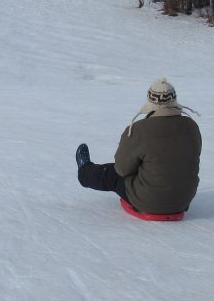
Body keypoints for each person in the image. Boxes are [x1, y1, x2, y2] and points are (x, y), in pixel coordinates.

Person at [76, 78, 202, 215]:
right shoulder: (192, 126)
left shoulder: (139, 130)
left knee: (111, 174)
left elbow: (121, 169)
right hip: (184, 200)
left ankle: (85, 171)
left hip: (148, 201)